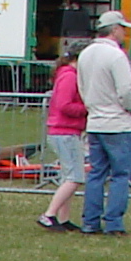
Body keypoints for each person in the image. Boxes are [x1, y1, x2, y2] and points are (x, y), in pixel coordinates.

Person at [77, 8, 131, 235]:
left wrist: (92, 107)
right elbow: (125, 90)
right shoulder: (116, 55)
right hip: (118, 122)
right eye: (122, 29)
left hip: (95, 121)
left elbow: (82, 87)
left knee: (96, 173)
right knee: (120, 174)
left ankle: (90, 221)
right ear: (114, 30)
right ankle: (113, 222)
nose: (124, 33)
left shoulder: (85, 54)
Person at [38, 38, 86, 231]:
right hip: (65, 130)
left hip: (63, 131)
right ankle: (48, 215)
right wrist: (87, 108)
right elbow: (65, 105)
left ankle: (63, 218)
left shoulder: (66, 74)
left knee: (68, 176)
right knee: (75, 176)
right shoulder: (70, 76)